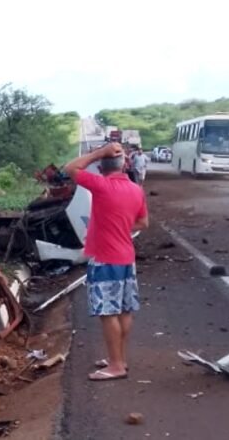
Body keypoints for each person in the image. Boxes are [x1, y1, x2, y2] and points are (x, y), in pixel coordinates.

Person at [63, 142, 149, 381]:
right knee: (124, 310)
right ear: (124, 165)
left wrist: (99, 152)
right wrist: (120, 226)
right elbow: (143, 223)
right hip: (126, 258)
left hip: (105, 259)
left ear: (101, 168)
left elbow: (70, 168)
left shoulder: (101, 186)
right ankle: (119, 358)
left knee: (107, 313)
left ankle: (116, 365)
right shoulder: (135, 190)